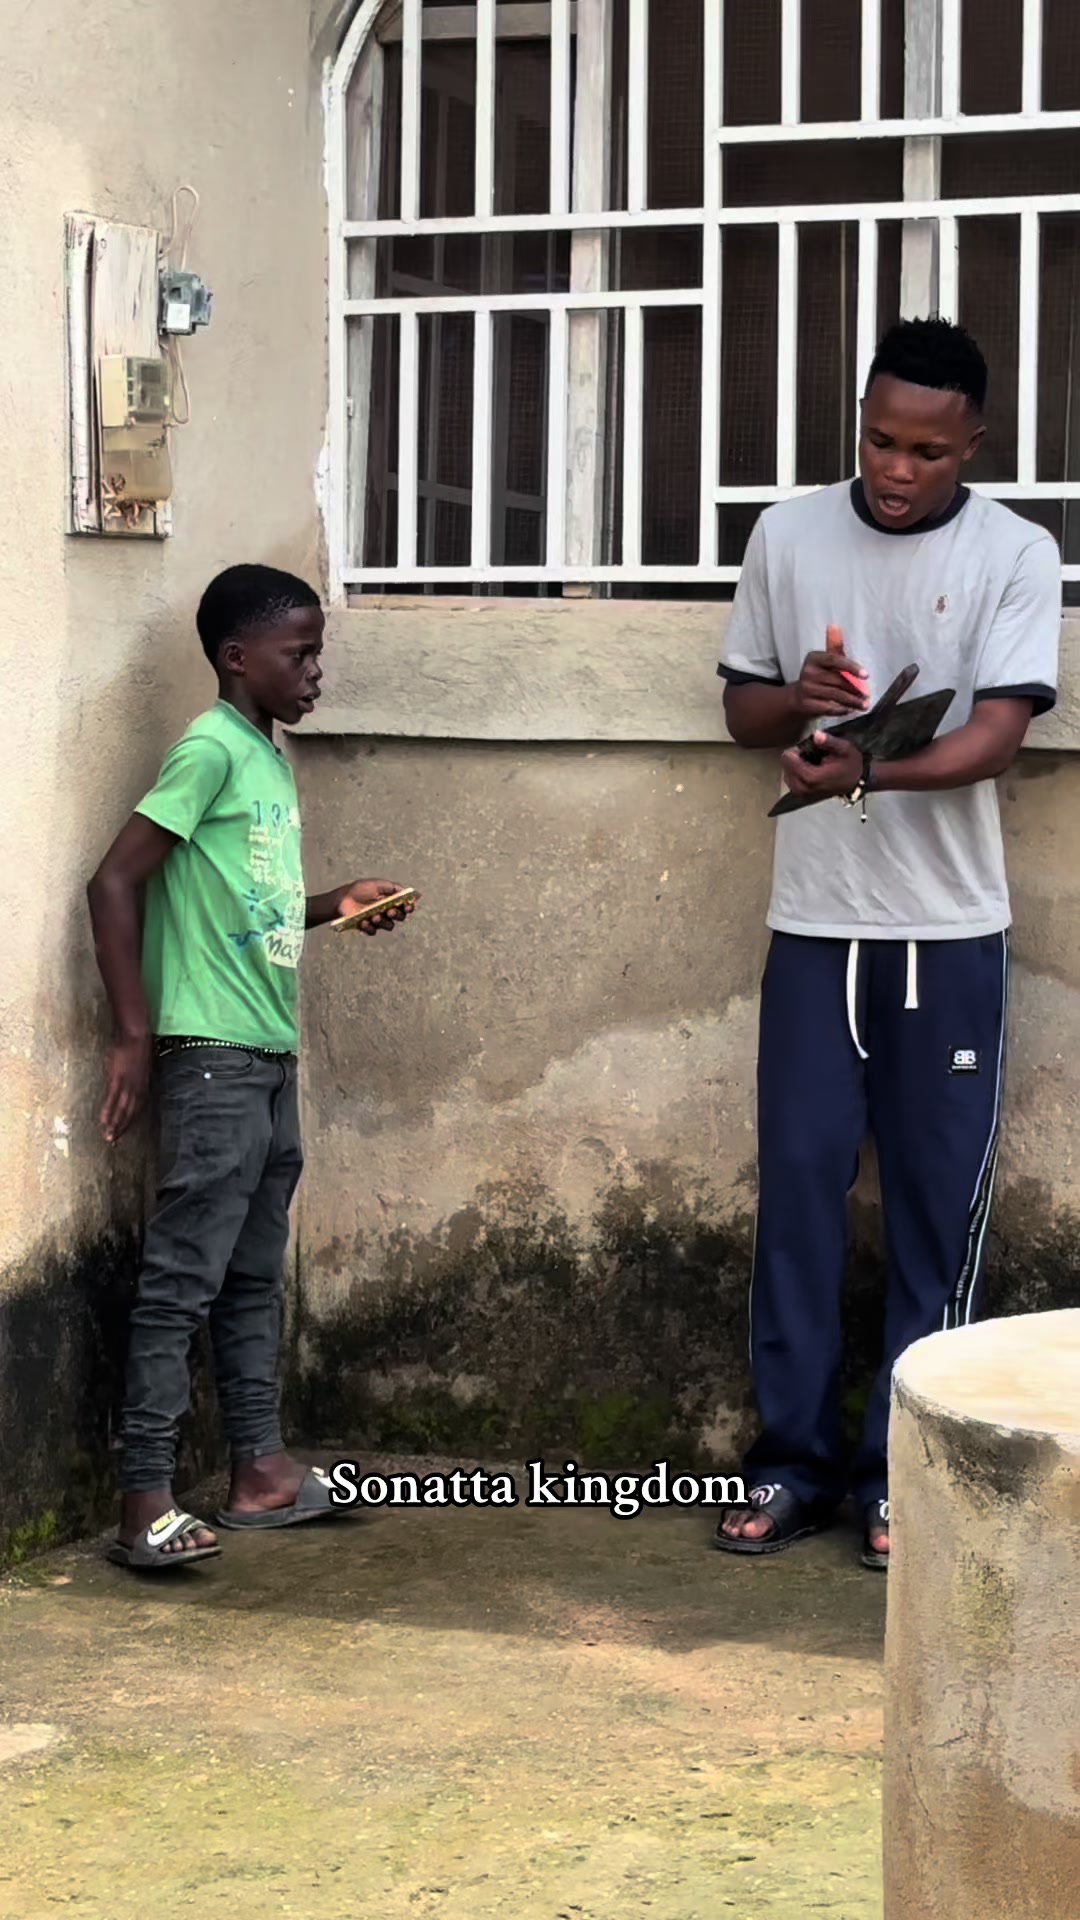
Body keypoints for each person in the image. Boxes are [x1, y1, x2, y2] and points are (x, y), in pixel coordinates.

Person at [713, 318, 1061, 1570]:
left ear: (974, 444)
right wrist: (797, 702)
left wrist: (870, 770)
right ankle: (792, 1464)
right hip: (816, 932)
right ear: (857, 423)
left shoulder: (1015, 552)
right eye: (878, 441)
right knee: (799, 1201)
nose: (897, 469)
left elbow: (998, 736)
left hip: (948, 935)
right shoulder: (788, 534)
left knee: (932, 1216)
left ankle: (902, 1478)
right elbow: (743, 709)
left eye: (927, 451)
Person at [87, 564, 415, 1571]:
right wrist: (133, 1035)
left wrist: (332, 904)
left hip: (266, 1053)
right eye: (298, 653)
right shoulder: (211, 749)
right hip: (211, 1057)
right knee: (182, 1280)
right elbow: (114, 880)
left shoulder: (267, 761)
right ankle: (145, 1500)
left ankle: (261, 1472)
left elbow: (246, 905)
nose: (316, 672)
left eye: (318, 652)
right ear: (238, 658)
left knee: (250, 1277)